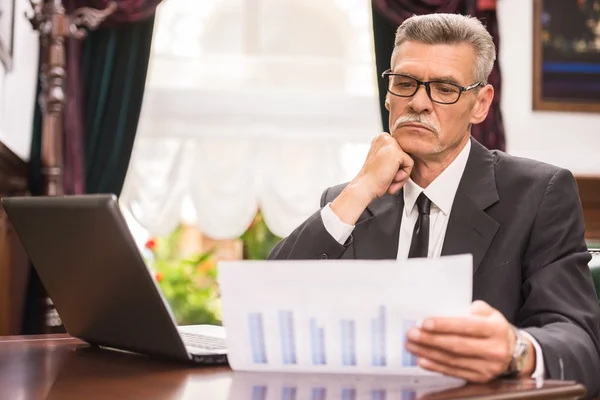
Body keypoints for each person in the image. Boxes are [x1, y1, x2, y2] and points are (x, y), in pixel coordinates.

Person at [268, 13, 600, 396]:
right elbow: (269, 302)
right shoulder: (350, 201)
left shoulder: (539, 195)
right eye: (405, 83)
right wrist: (359, 188)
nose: (419, 102)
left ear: (480, 104)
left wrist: (516, 350)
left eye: (444, 88)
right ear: (389, 94)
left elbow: (582, 347)